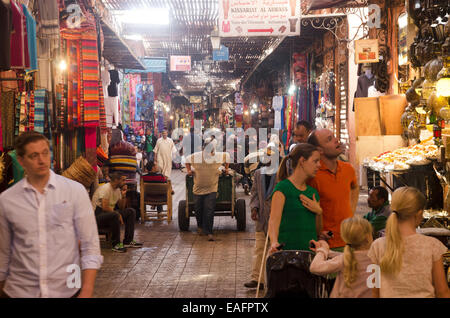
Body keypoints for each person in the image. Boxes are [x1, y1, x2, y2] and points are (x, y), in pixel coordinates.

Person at [0, 131, 103, 298]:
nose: (41, 160)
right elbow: (3, 255)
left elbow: (90, 245)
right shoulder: (7, 201)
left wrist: (86, 290)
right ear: (21, 161)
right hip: (21, 291)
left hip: (67, 289)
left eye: (45, 153)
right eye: (34, 155)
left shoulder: (74, 192)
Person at [368, 186, 449, 298]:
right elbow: (442, 292)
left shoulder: (377, 246)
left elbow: (374, 291)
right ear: (419, 213)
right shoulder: (432, 246)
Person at [307, 129, 359, 251]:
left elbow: (354, 187)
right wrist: (317, 231)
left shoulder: (348, 169)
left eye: (334, 136)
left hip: (349, 239)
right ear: (319, 150)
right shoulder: (313, 175)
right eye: (329, 139)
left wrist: (351, 210)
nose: (336, 140)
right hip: (325, 244)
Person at [268, 143, 322, 254]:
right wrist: (274, 242)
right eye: (315, 161)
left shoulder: (313, 193)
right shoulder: (283, 188)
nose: (319, 165)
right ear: (302, 161)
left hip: (310, 257)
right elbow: (273, 221)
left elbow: (318, 231)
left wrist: (319, 211)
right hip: (287, 257)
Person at [309, 216, 374, 298]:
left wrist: (323, 251)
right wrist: (329, 253)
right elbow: (356, 257)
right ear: (368, 236)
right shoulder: (376, 256)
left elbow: (315, 267)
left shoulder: (344, 260)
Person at [185, 138, 231, 241]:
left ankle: (209, 232)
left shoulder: (217, 156)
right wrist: (188, 170)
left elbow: (227, 156)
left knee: (209, 210)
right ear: (203, 148)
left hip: (212, 189)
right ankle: (200, 227)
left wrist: (226, 168)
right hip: (198, 189)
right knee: (198, 210)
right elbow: (187, 160)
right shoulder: (196, 156)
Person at [244, 160, 278, 290]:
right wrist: (254, 208)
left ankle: (273, 279)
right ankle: (257, 279)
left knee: (274, 250)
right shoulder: (258, 174)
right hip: (261, 218)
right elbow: (254, 193)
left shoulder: (281, 174)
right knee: (259, 249)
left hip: (276, 219)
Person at [91, 172, 143, 253]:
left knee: (131, 211)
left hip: (109, 213)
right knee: (114, 214)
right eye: (123, 180)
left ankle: (128, 241)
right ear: (116, 180)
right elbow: (105, 207)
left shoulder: (117, 190)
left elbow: (121, 207)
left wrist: (123, 195)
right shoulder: (106, 188)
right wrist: (118, 214)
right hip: (97, 216)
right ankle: (116, 244)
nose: (125, 182)